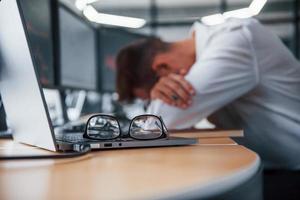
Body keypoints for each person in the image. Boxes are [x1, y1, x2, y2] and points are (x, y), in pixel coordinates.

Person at [116, 18, 300, 170]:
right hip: (270, 165)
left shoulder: (236, 39)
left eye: (153, 95)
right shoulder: (214, 48)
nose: (158, 97)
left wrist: (159, 103)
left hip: (291, 171)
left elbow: (155, 126)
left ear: (162, 67)